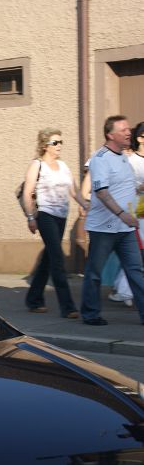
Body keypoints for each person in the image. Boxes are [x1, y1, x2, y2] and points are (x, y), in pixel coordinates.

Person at [79, 115, 144, 326]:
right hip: (103, 228)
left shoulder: (124, 157)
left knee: (136, 270)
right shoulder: (100, 159)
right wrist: (122, 214)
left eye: (129, 129)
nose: (129, 132)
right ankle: (90, 314)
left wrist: (137, 192)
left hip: (125, 228)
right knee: (94, 273)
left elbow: (123, 187)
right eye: (123, 129)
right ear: (110, 134)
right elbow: (103, 192)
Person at [21, 128, 85, 318]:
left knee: (49, 257)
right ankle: (68, 307)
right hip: (45, 215)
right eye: (55, 143)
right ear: (45, 146)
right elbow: (27, 192)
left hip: (61, 215)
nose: (59, 146)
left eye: (60, 142)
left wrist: (86, 204)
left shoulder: (63, 166)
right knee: (57, 259)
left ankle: (33, 299)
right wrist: (31, 217)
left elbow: (74, 191)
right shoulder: (37, 165)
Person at [109, 121, 144, 306]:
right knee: (136, 255)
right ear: (140, 138)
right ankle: (124, 290)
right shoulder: (131, 161)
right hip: (137, 214)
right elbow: (125, 185)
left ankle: (125, 289)